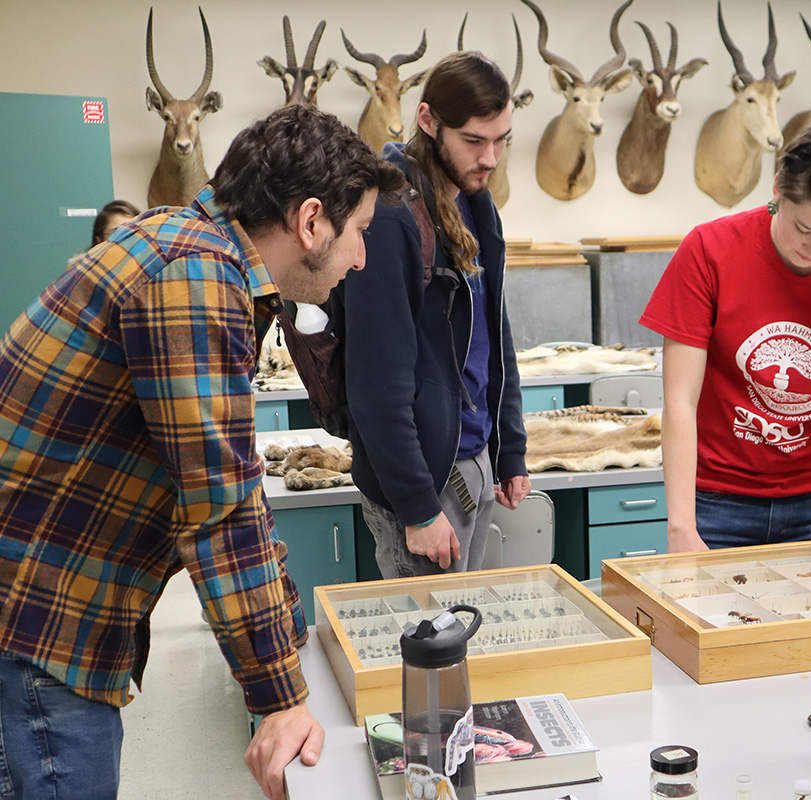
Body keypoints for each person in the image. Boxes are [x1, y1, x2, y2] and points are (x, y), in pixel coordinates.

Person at [0, 104, 406, 800]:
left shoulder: (189, 247)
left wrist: (290, 645)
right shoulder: (192, 278)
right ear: (311, 221)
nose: (361, 257)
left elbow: (236, 487)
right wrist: (280, 696)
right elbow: (218, 512)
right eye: (359, 232)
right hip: (39, 628)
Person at [640, 117, 811, 560]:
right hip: (718, 496)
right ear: (777, 191)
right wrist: (681, 528)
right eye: (803, 229)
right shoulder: (709, 251)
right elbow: (679, 401)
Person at [335, 51, 529, 578]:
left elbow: (495, 332)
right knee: (424, 649)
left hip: (474, 464)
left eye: (502, 139)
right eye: (473, 140)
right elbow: (375, 380)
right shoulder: (390, 213)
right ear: (427, 121)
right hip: (424, 480)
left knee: (460, 637)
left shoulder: (477, 201)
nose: (490, 157)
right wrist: (418, 506)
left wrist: (509, 447)